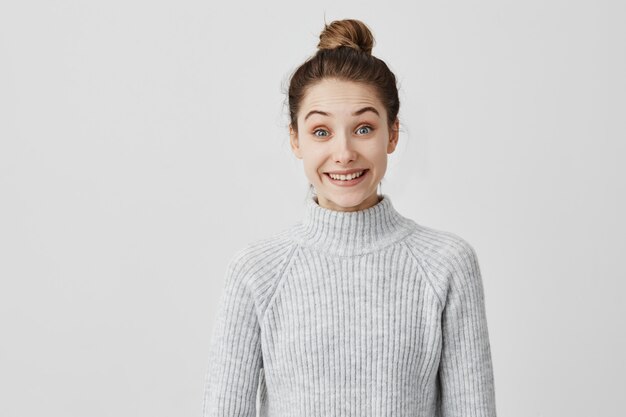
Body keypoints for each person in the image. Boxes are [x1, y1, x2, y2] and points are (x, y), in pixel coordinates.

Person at [202, 18, 497, 417]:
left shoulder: (446, 264)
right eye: (321, 132)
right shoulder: (255, 272)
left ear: (392, 134)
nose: (343, 152)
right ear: (296, 140)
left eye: (363, 128)